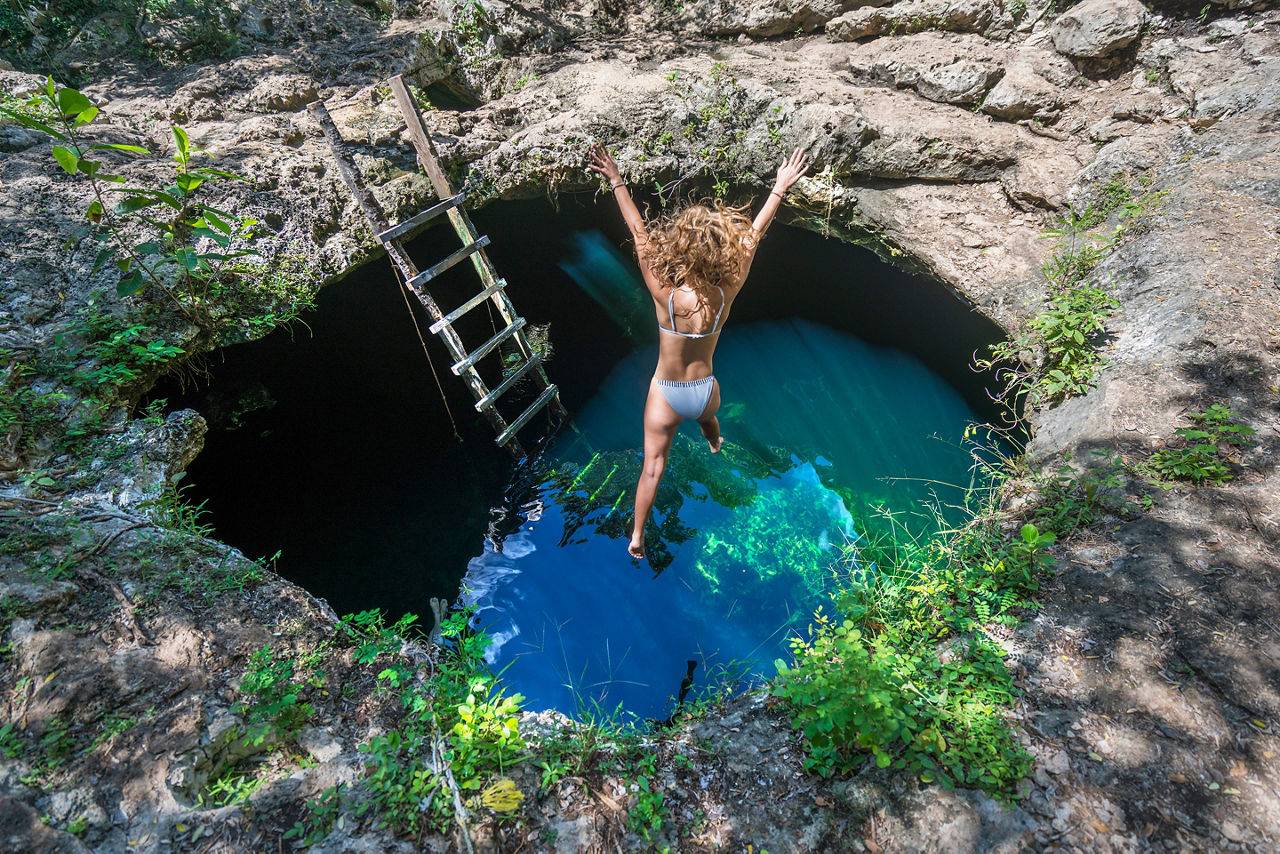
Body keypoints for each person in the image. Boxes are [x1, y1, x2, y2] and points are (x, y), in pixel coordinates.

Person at [587, 144, 810, 560]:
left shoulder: (665, 296)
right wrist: (779, 186)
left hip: (666, 393)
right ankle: (714, 439)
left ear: (681, 248)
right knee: (707, 415)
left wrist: (616, 179)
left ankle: (637, 536)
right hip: (705, 390)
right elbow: (754, 235)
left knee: (653, 466)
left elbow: (638, 234)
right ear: (720, 249)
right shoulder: (727, 294)